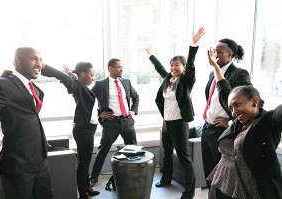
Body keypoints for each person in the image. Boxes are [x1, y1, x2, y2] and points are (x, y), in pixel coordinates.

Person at [205, 52, 282, 198]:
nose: (233, 112)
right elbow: (223, 87)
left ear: (254, 101)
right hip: (221, 182)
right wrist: (215, 66)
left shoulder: (268, 122)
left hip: (244, 191)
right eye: (231, 108)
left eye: (237, 105)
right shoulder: (239, 121)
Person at [0, 47, 53, 199]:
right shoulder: (1, 85)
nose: (39, 64)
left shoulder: (35, 89)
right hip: (18, 164)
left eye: (40, 60)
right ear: (17, 61)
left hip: (40, 160)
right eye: (33, 59)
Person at [145, 27, 205, 199]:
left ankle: (189, 192)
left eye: (177, 65)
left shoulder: (186, 81)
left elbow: (192, 62)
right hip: (166, 122)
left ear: (184, 68)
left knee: (184, 158)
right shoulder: (168, 79)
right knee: (166, 152)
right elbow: (159, 68)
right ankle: (166, 179)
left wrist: (193, 44)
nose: (173, 67)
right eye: (172, 65)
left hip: (179, 123)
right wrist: (151, 56)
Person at [41, 62, 100, 199]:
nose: (93, 78)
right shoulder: (78, 87)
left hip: (86, 130)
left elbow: (73, 78)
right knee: (84, 164)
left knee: (85, 161)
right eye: (91, 75)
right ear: (83, 74)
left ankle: (87, 187)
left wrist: (70, 73)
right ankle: (83, 194)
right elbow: (68, 80)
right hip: (84, 131)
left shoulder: (82, 85)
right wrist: (45, 67)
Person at [201, 38, 252, 189]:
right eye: (214, 51)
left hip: (223, 131)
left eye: (219, 52)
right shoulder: (212, 73)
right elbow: (211, 100)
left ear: (230, 55)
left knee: (220, 177)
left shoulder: (239, 73)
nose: (215, 54)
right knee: (208, 173)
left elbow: (248, 103)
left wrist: (230, 122)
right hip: (207, 128)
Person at [89, 58, 139, 186]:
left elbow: (136, 97)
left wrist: (133, 110)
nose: (121, 69)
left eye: (122, 67)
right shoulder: (100, 84)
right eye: (118, 67)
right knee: (103, 151)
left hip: (127, 121)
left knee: (133, 150)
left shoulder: (126, 82)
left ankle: (134, 175)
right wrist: (100, 113)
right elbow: (88, 100)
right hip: (111, 123)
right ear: (110, 68)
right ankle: (94, 177)